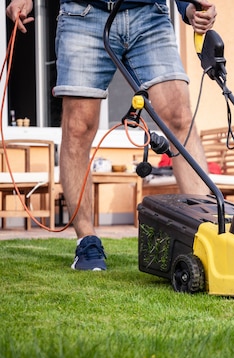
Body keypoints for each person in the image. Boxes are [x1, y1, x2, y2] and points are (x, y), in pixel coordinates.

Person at [6, 0, 216, 271]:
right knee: (77, 127)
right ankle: (87, 240)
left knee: (179, 117)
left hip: (148, 15)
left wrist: (188, 6)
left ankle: (209, 235)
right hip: (83, 13)